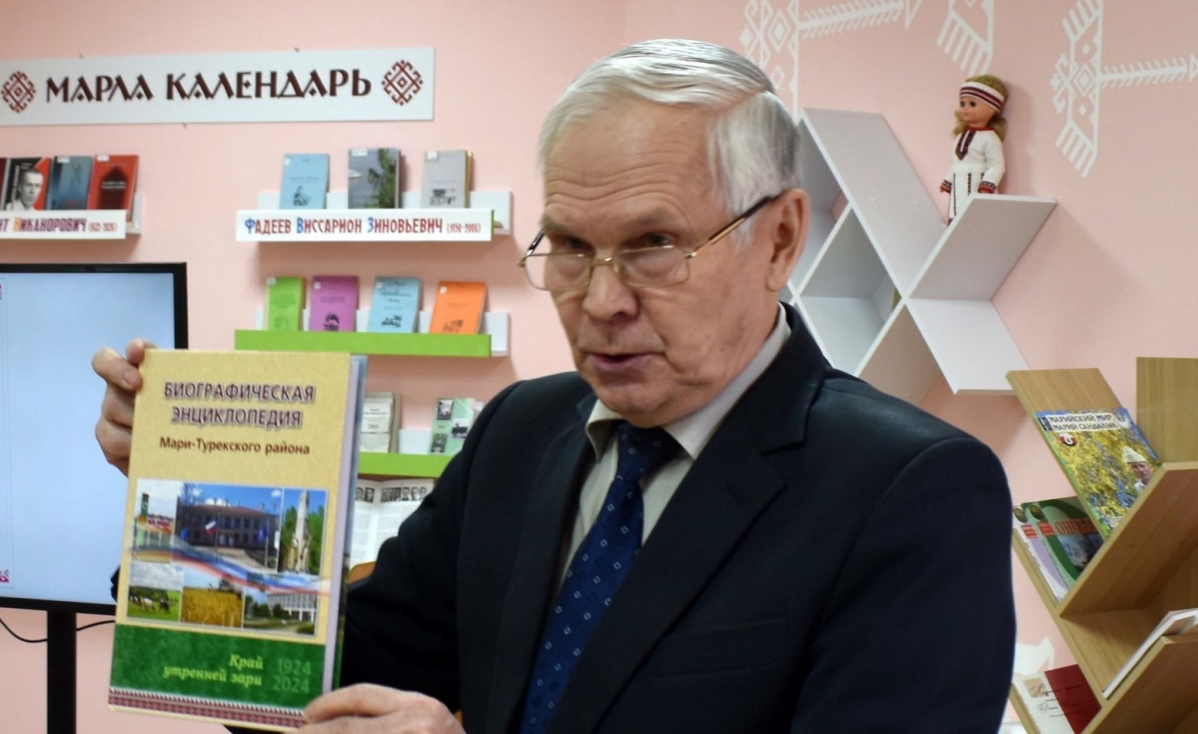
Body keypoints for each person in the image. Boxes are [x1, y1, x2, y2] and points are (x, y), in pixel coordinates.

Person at [94, 39, 1015, 734]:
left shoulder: (912, 492)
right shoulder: (522, 430)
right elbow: (333, 675)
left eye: (654, 245)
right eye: (570, 247)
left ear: (778, 239)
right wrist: (188, 497)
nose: (602, 302)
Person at [941, 74, 1007, 222]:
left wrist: (987, 185)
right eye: (962, 103)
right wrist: (948, 181)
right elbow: (956, 162)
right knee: (957, 215)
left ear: (992, 109)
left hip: (977, 184)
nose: (965, 108)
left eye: (972, 104)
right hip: (958, 185)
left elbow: (997, 165)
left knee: (976, 217)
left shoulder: (990, 138)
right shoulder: (960, 135)